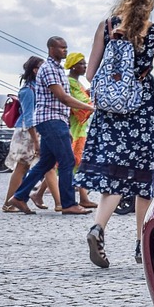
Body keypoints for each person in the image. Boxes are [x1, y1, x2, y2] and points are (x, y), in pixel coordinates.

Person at [78, 0, 154, 268]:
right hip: (142, 110)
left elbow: (90, 74)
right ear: (152, 0)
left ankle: (98, 227)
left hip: (109, 111)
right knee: (142, 177)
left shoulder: (107, 27)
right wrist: (151, 96)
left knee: (114, 173)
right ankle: (142, 246)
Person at [4, 37, 95, 216]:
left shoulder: (58, 69)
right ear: (51, 48)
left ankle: (19, 197)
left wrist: (66, 125)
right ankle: (68, 204)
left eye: (66, 47)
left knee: (46, 162)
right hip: (51, 120)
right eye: (61, 48)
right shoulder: (49, 69)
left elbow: (62, 102)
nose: (64, 50)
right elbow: (62, 98)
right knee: (67, 160)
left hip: (55, 120)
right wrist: (89, 107)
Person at [2, 58, 42, 210]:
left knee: (24, 167)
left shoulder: (35, 88)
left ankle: (13, 201)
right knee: (21, 167)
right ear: (35, 70)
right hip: (26, 131)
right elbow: (28, 116)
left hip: (30, 130)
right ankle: (9, 203)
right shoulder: (28, 90)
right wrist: (35, 140)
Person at [65, 52, 96, 208]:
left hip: (79, 128)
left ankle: (84, 197)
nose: (84, 66)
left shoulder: (77, 83)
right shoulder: (71, 82)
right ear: (73, 66)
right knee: (75, 161)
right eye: (81, 64)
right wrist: (93, 102)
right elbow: (81, 102)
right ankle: (39, 193)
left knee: (77, 162)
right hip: (75, 128)